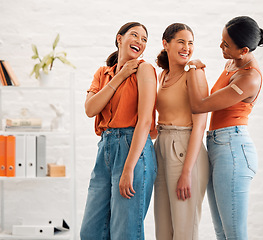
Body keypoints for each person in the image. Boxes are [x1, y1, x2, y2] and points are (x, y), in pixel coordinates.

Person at [186, 16, 263, 239]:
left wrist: (193, 68)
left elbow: (199, 105)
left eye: (226, 45)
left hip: (233, 150)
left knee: (234, 233)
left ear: (243, 50)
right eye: (221, 40)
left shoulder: (249, 78)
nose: (220, 46)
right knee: (221, 230)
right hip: (219, 146)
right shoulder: (231, 64)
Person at [80, 22, 157, 240]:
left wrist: (129, 168)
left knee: (125, 233)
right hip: (105, 148)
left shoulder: (144, 69)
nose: (140, 42)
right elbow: (90, 108)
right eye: (135, 35)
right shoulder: (103, 73)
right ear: (119, 38)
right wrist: (120, 76)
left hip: (133, 149)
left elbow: (144, 121)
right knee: (90, 232)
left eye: (144, 39)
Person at [154, 23, 209, 240]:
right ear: (165, 44)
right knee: (163, 228)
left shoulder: (194, 74)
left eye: (190, 43)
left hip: (185, 149)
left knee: (185, 230)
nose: (187, 47)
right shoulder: (162, 76)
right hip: (162, 146)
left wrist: (187, 172)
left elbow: (200, 125)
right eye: (181, 42)